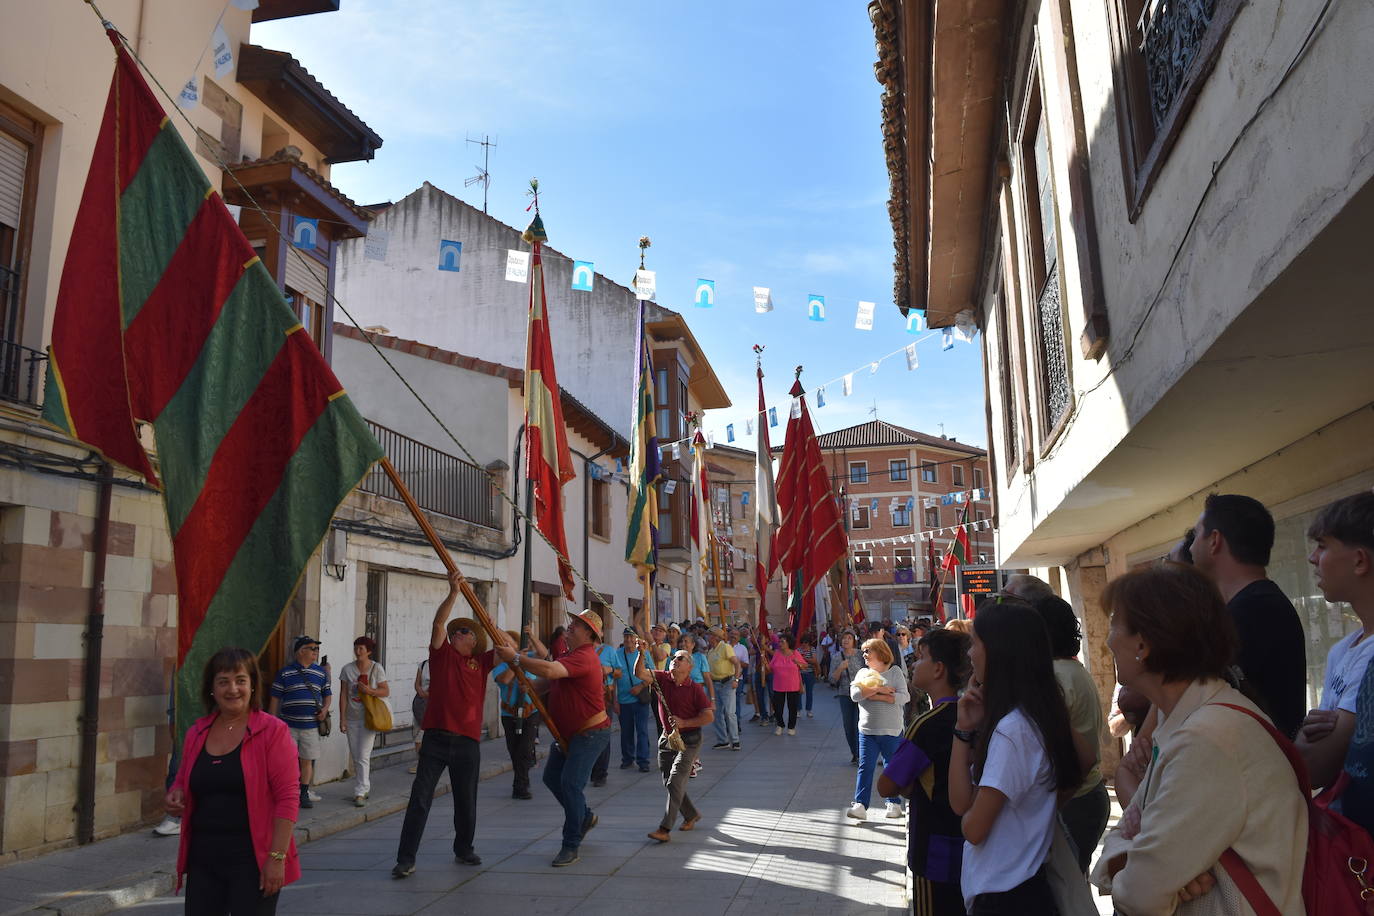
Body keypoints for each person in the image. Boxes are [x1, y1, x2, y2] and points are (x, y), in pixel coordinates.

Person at [1091, 563, 1307, 914]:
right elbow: (1129, 835)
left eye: (1115, 623)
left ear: (1143, 644)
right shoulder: (1189, 720)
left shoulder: (1206, 739)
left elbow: (1141, 894)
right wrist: (1131, 863)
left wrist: (1131, 867)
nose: (1108, 640)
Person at [949, 597, 1086, 914]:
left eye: (975, 643)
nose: (970, 654)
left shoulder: (1014, 731)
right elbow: (960, 803)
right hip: (1014, 889)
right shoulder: (1031, 717)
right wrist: (963, 729)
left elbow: (973, 828)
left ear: (999, 652)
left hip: (1007, 896)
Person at [167, 647, 300, 914]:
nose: (233, 689)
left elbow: (288, 797)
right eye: (223, 681)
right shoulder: (197, 731)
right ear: (212, 688)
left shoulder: (273, 731)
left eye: (241, 680)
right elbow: (182, 780)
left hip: (253, 859)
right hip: (203, 860)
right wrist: (176, 794)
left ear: (253, 685)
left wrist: (277, 858)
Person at [392, 571, 503, 878]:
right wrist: (453, 593)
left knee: (466, 800)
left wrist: (489, 625)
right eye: (461, 629)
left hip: (467, 741)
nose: (460, 632)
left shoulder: (479, 664)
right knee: (420, 798)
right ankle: (405, 858)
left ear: (472, 641)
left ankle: (464, 849)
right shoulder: (441, 656)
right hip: (437, 739)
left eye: (466, 630)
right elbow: (439, 624)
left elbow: (507, 647)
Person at [495, 608, 612, 868]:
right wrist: (530, 686)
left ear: (589, 634)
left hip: (591, 733)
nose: (570, 627)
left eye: (577, 625)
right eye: (572, 623)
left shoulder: (585, 656)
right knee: (551, 778)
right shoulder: (570, 654)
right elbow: (550, 683)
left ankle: (571, 843)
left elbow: (549, 671)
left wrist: (515, 658)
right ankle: (584, 816)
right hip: (569, 733)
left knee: (570, 784)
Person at [1190, 492, 1306, 738]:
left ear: (1214, 541)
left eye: (1196, 534)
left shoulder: (1254, 611)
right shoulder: (1256, 605)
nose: (1190, 546)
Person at [878, 628, 973, 916]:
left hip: (933, 846)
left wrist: (911, 783)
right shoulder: (973, 713)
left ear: (938, 669)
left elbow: (886, 786)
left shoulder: (928, 724)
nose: (915, 664)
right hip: (969, 842)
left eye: (921, 658)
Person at [1301, 493, 1374, 824]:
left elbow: (1315, 764)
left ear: (1360, 561)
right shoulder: (1343, 650)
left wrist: (1304, 735)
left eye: (1323, 545)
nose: (1313, 558)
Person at [1032, 595, 1109, 873]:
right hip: (1085, 797)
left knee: (1067, 893)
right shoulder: (1069, 670)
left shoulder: (1056, 677)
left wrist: (1052, 806)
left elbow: (1077, 755)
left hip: (1075, 801)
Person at [637, 646, 714, 842]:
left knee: (675, 781)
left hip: (689, 740)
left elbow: (708, 716)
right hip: (667, 738)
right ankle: (691, 814)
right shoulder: (662, 678)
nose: (675, 660)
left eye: (680, 658)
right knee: (668, 782)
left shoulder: (695, 688)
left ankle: (664, 829)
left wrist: (685, 723)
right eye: (674, 658)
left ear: (689, 667)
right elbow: (639, 673)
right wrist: (641, 654)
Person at [847, 637, 910, 821]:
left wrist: (877, 695)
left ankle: (894, 803)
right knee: (865, 767)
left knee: (892, 767)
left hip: (891, 730)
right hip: (867, 731)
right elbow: (856, 695)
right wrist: (882, 690)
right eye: (864, 651)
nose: (864, 655)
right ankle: (860, 804)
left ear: (880, 653)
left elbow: (904, 696)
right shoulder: (862, 673)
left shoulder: (895, 672)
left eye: (868, 651)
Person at [267, 636, 331, 811]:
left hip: (310, 726)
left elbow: (327, 694)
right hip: (288, 726)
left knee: (306, 760)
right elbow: (275, 698)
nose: (315, 652)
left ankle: (304, 792)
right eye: (312, 649)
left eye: (316, 649)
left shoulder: (320, 673)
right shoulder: (285, 672)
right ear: (301, 651)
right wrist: (272, 723)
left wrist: (325, 710)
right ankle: (288, 792)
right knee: (287, 761)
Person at [492, 626, 548, 800]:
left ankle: (521, 786)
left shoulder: (526, 658)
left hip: (530, 712)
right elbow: (505, 679)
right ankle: (521, 780)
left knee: (524, 749)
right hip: (510, 714)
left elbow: (543, 653)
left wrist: (531, 635)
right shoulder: (499, 665)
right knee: (515, 751)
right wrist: (516, 660)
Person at [338, 636, 389, 808]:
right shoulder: (347, 669)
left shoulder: (376, 668)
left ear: (368, 651)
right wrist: (342, 718)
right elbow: (343, 694)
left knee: (363, 755)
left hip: (369, 716)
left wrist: (370, 690)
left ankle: (360, 791)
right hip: (352, 718)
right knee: (355, 754)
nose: (358, 651)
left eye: (361, 648)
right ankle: (363, 786)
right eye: (356, 648)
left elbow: (385, 691)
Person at [609, 627, 654, 773]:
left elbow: (653, 675)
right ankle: (627, 759)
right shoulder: (617, 654)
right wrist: (614, 700)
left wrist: (640, 686)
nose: (628, 640)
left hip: (640, 699)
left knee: (642, 731)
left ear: (636, 639)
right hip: (623, 700)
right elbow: (613, 679)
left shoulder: (644, 654)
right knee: (626, 732)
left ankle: (643, 761)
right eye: (626, 636)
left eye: (631, 637)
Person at [830, 630, 863, 764]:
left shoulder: (861, 655)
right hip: (845, 695)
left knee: (858, 725)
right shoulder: (837, 657)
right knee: (848, 726)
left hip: (861, 695)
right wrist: (840, 669)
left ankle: (861, 753)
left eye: (849, 638)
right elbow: (832, 679)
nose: (846, 640)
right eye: (844, 638)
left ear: (854, 640)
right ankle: (854, 753)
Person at [707, 626, 742, 750]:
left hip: (727, 682)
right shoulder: (710, 651)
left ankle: (735, 740)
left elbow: (737, 663)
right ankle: (723, 740)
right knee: (716, 713)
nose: (707, 637)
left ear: (715, 637)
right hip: (715, 683)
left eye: (709, 635)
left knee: (729, 712)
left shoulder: (725, 647)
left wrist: (736, 680)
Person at [764, 632, 805, 736]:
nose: (780, 643)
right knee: (777, 707)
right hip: (778, 685)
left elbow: (804, 666)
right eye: (779, 641)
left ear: (788, 643)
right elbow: (770, 669)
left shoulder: (795, 653)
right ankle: (780, 725)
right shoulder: (777, 653)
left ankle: (791, 727)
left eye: (782, 641)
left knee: (792, 707)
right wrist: (765, 664)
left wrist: (798, 663)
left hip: (793, 685)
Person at [409, 659, 429, 775]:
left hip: (434, 704)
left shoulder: (444, 663)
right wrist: (420, 691)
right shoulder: (423, 664)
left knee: (427, 734)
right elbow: (417, 683)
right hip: (421, 704)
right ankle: (420, 762)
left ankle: (426, 763)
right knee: (418, 735)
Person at [729, 627, 750, 729]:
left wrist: (736, 661)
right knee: (726, 703)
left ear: (739, 637)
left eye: (736, 635)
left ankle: (736, 723)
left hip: (738, 678)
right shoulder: (724, 647)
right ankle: (728, 723)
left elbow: (746, 664)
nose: (733, 636)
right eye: (731, 634)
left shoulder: (742, 648)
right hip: (725, 678)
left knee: (736, 701)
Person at [798, 632, 820, 718]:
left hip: (810, 673)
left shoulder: (812, 649)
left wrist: (804, 658)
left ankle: (809, 710)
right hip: (800, 674)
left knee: (809, 692)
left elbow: (814, 660)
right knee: (798, 692)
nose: (804, 644)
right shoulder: (798, 650)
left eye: (806, 642)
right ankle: (798, 709)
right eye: (802, 642)